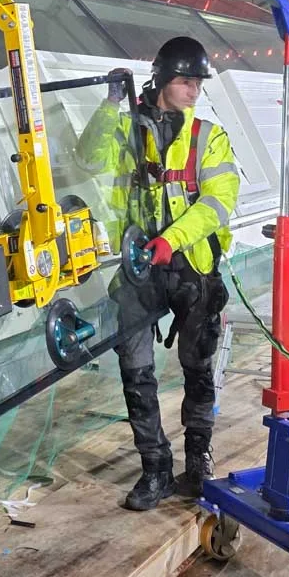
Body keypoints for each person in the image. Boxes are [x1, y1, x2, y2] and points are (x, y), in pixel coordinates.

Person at [77, 37, 240, 510]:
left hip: (191, 266)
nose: (194, 91)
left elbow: (218, 202)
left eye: (197, 83)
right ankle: (155, 468)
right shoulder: (128, 127)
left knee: (198, 365)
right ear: (164, 80)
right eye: (186, 81)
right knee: (135, 369)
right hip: (137, 269)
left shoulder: (208, 136)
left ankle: (197, 458)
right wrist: (110, 104)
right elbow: (87, 159)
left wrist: (172, 239)